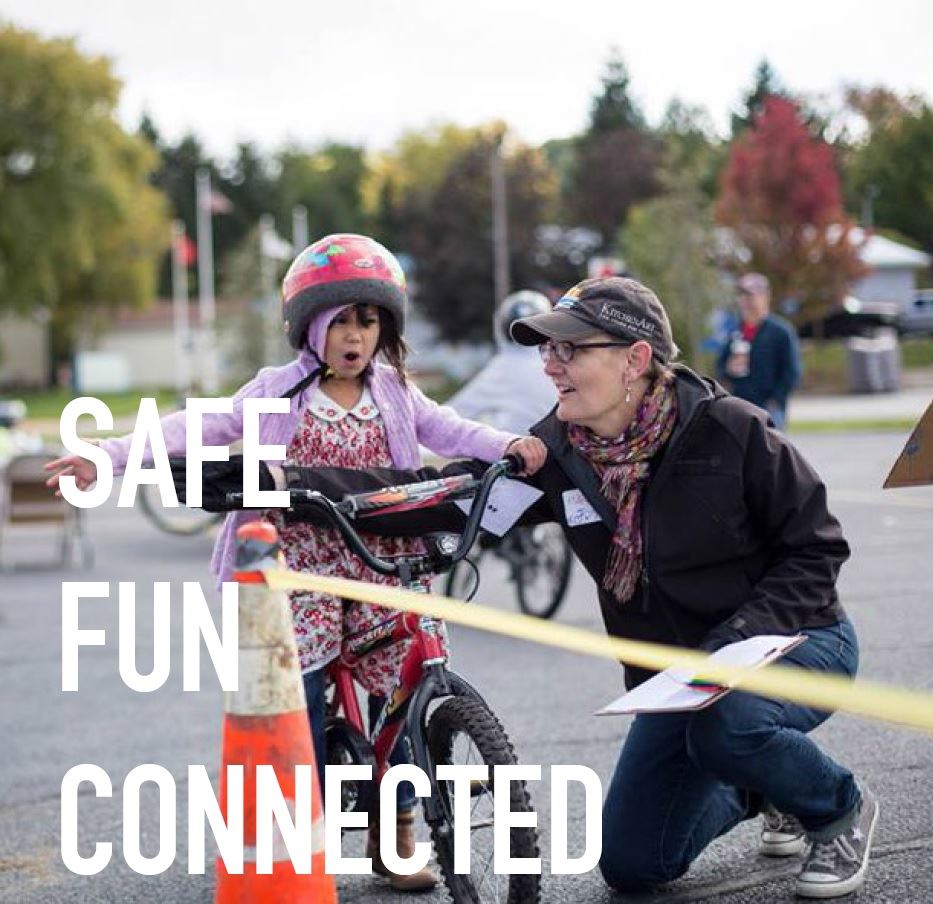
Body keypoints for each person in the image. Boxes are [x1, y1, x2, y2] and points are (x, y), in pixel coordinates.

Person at [270, 275, 878, 899]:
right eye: (547, 350)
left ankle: (837, 810)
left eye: (570, 349)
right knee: (635, 864)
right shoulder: (562, 451)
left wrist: (734, 642)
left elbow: (816, 550)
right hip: (681, 681)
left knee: (728, 726)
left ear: (634, 359)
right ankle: (767, 787)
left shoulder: (730, 429)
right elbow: (448, 495)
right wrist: (291, 485)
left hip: (795, 640)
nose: (550, 365)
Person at [45, 233, 546, 893]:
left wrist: (509, 443)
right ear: (311, 326)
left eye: (368, 321)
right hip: (298, 565)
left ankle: (396, 829)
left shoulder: (394, 391)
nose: (355, 335)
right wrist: (107, 455)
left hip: (376, 556)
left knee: (401, 681)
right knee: (297, 690)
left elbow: (452, 430)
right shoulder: (277, 391)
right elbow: (193, 428)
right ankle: (301, 831)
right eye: (340, 321)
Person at [445, 290, 556, 433]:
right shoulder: (561, 362)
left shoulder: (500, 370)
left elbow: (449, 417)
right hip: (565, 445)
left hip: (519, 445)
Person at [716, 272, 802, 430]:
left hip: (769, 410)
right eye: (742, 295)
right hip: (739, 407)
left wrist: (775, 400)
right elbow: (720, 367)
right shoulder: (735, 331)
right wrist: (728, 369)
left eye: (750, 296)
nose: (745, 301)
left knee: (769, 446)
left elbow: (792, 372)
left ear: (765, 297)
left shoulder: (781, 331)